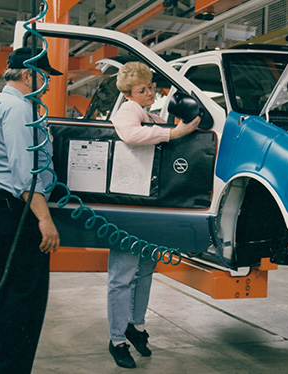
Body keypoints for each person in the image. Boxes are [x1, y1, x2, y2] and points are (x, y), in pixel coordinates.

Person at [0, 47, 62, 374]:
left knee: (0, 297)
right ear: (27, 76)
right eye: (44, 78)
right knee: (23, 304)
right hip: (15, 214)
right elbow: (26, 174)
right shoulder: (20, 109)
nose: (48, 86)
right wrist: (45, 219)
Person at [107, 61, 200, 369]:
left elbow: (158, 129)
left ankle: (136, 325)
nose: (149, 92)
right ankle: (117, 340)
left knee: (144, 268)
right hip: (128, 204)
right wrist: (173, 133)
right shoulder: (128, 111)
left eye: (150, 87)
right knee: (123, 275)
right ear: (129, 92)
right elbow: (132, 135)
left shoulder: (149, 113)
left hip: (145, 204)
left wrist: (175, 126)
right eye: (142, 89)